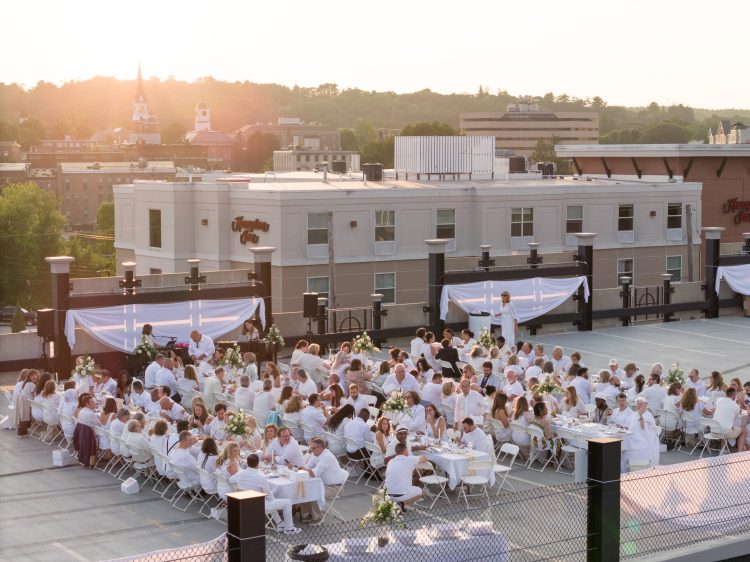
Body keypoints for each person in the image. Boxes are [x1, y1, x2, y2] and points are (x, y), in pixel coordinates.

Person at [231, 453, 300, 534]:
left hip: (244, 504)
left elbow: (231, 480)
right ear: (258, 464)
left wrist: (241, 487)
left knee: (270, 501)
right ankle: (289, 529)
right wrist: (273, 500)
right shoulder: (260, 476)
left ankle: (280, 524)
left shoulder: (240, 473)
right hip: (259, 506)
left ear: (247, 463)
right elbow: (268, 494)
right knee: (287, 502)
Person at [384, 442, 427, 509]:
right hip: (401, 495)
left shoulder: (391, 461)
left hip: (387, 494)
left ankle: (398, 505)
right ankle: (402, 504)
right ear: (406, 450)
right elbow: (424, 458)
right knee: (419, 492)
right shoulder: (409, 459)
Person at [627, 397, 660, 470]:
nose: (638, 406)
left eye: (641, 404)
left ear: (645, 406)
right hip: (633, 435)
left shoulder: (648, 415)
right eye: (638, 404)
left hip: (644, 437)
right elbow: (629, 426)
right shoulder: (634, 414)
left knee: (638, 442)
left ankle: (640, 466)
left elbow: (642, 427)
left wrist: (640, 415)